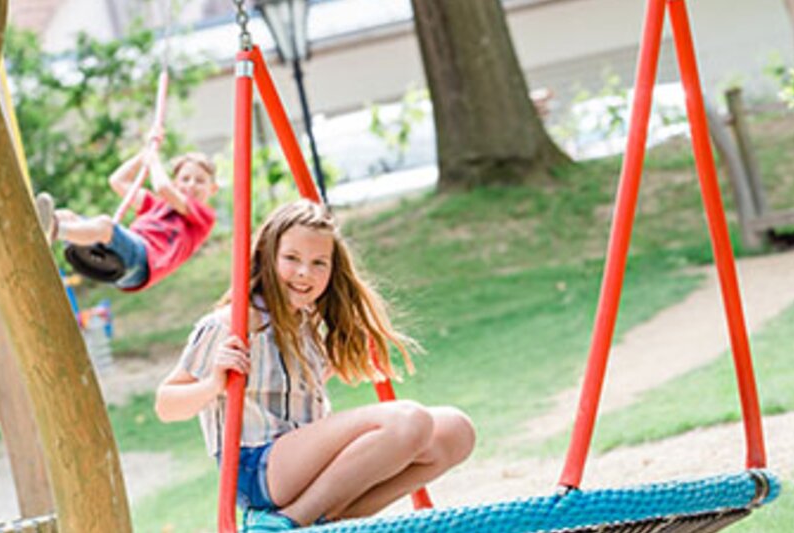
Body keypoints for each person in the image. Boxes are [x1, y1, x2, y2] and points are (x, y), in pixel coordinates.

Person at [155, 200, 475, 532]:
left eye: (318, 263)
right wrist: (213, 385)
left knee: (456, 431)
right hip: (257, 468)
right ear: (268, 257)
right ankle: (283, 521)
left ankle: (323, 518)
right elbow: (166, 404)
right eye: (291, 258)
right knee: (409, 420)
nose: (304, 272)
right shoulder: (232, 323)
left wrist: (332, 364)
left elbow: (288, 393)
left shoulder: (307, 323)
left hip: (301, 464)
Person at [36, 147, 217, 291]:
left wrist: (153, 161)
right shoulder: (155, 205)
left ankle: (54, 230)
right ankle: (40, 229)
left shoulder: (204, 216)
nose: (191, 185)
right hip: (122, 257)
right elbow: (117, 181)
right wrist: (143, 155)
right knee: (66, 216)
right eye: (185, 179)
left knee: (105, 225)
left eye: (200, 181)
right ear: (176, 182)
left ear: (213, 189)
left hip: (143, 262)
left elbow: (163, 188)